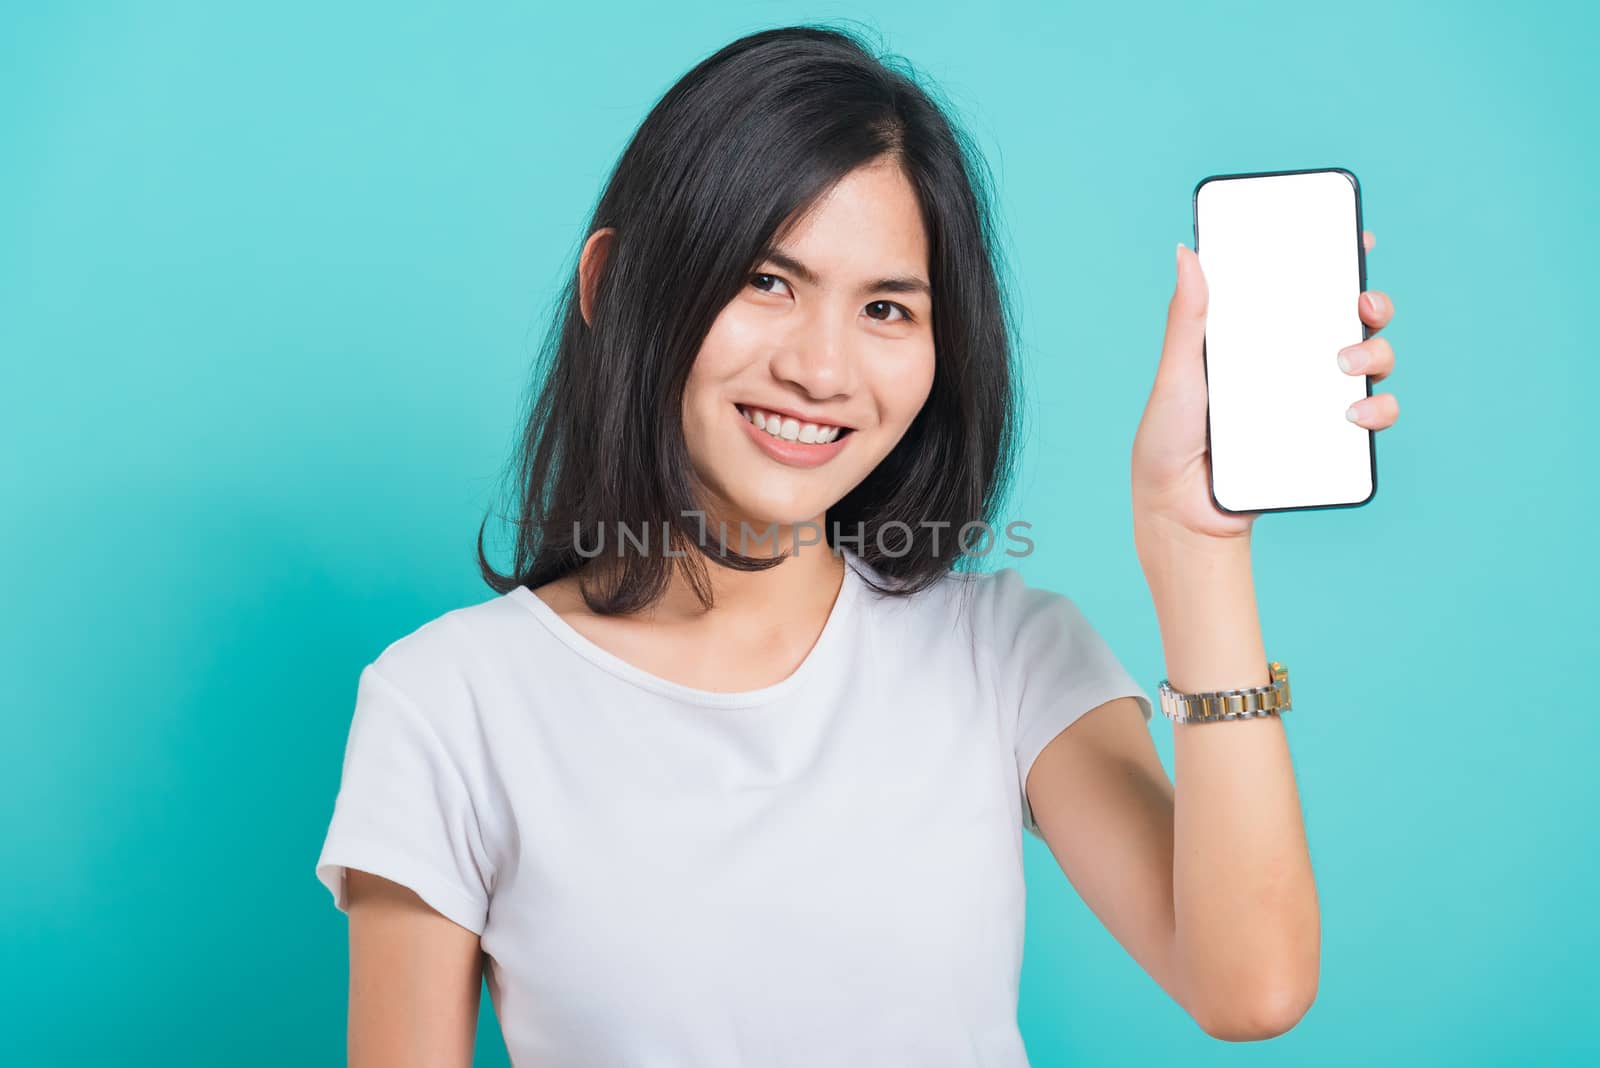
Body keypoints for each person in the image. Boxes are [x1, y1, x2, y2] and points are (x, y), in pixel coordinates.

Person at [314, 23, 1402, 1068]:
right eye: (766, 282)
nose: (822, 370)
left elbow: (1249, 986)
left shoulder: (1006, 654)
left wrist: (1194, 546)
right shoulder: (444, 704)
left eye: (886, 308)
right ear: (612, 287)